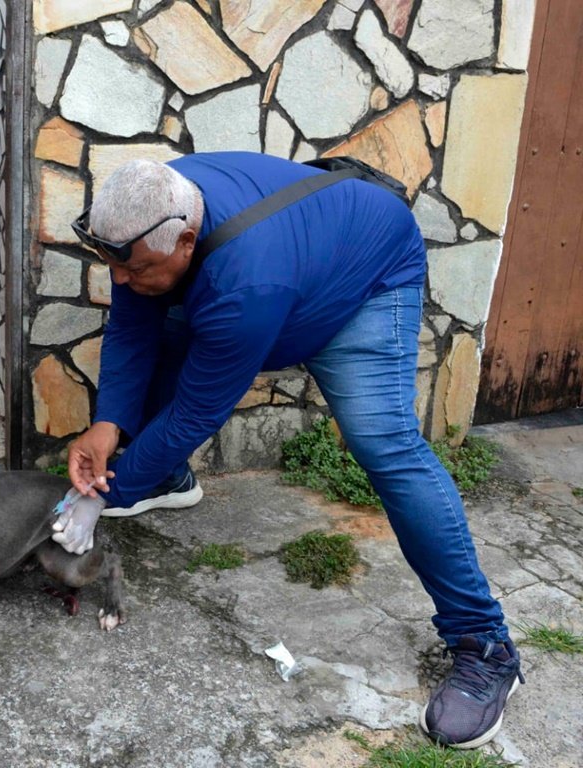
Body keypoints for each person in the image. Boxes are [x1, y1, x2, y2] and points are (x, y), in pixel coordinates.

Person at [51, 153, 523, 749]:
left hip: (367, 277)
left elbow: (198, 410)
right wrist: (108, 425)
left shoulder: (245, 283)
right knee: (163, 317)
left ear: (187, 240)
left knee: (385, 446)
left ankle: (484, 644)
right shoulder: (153, 204)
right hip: (291, 270)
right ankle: (166, 479)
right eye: (112, 263)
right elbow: (131, 325)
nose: (119, 280)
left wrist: (104, 491)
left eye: (133, 267)